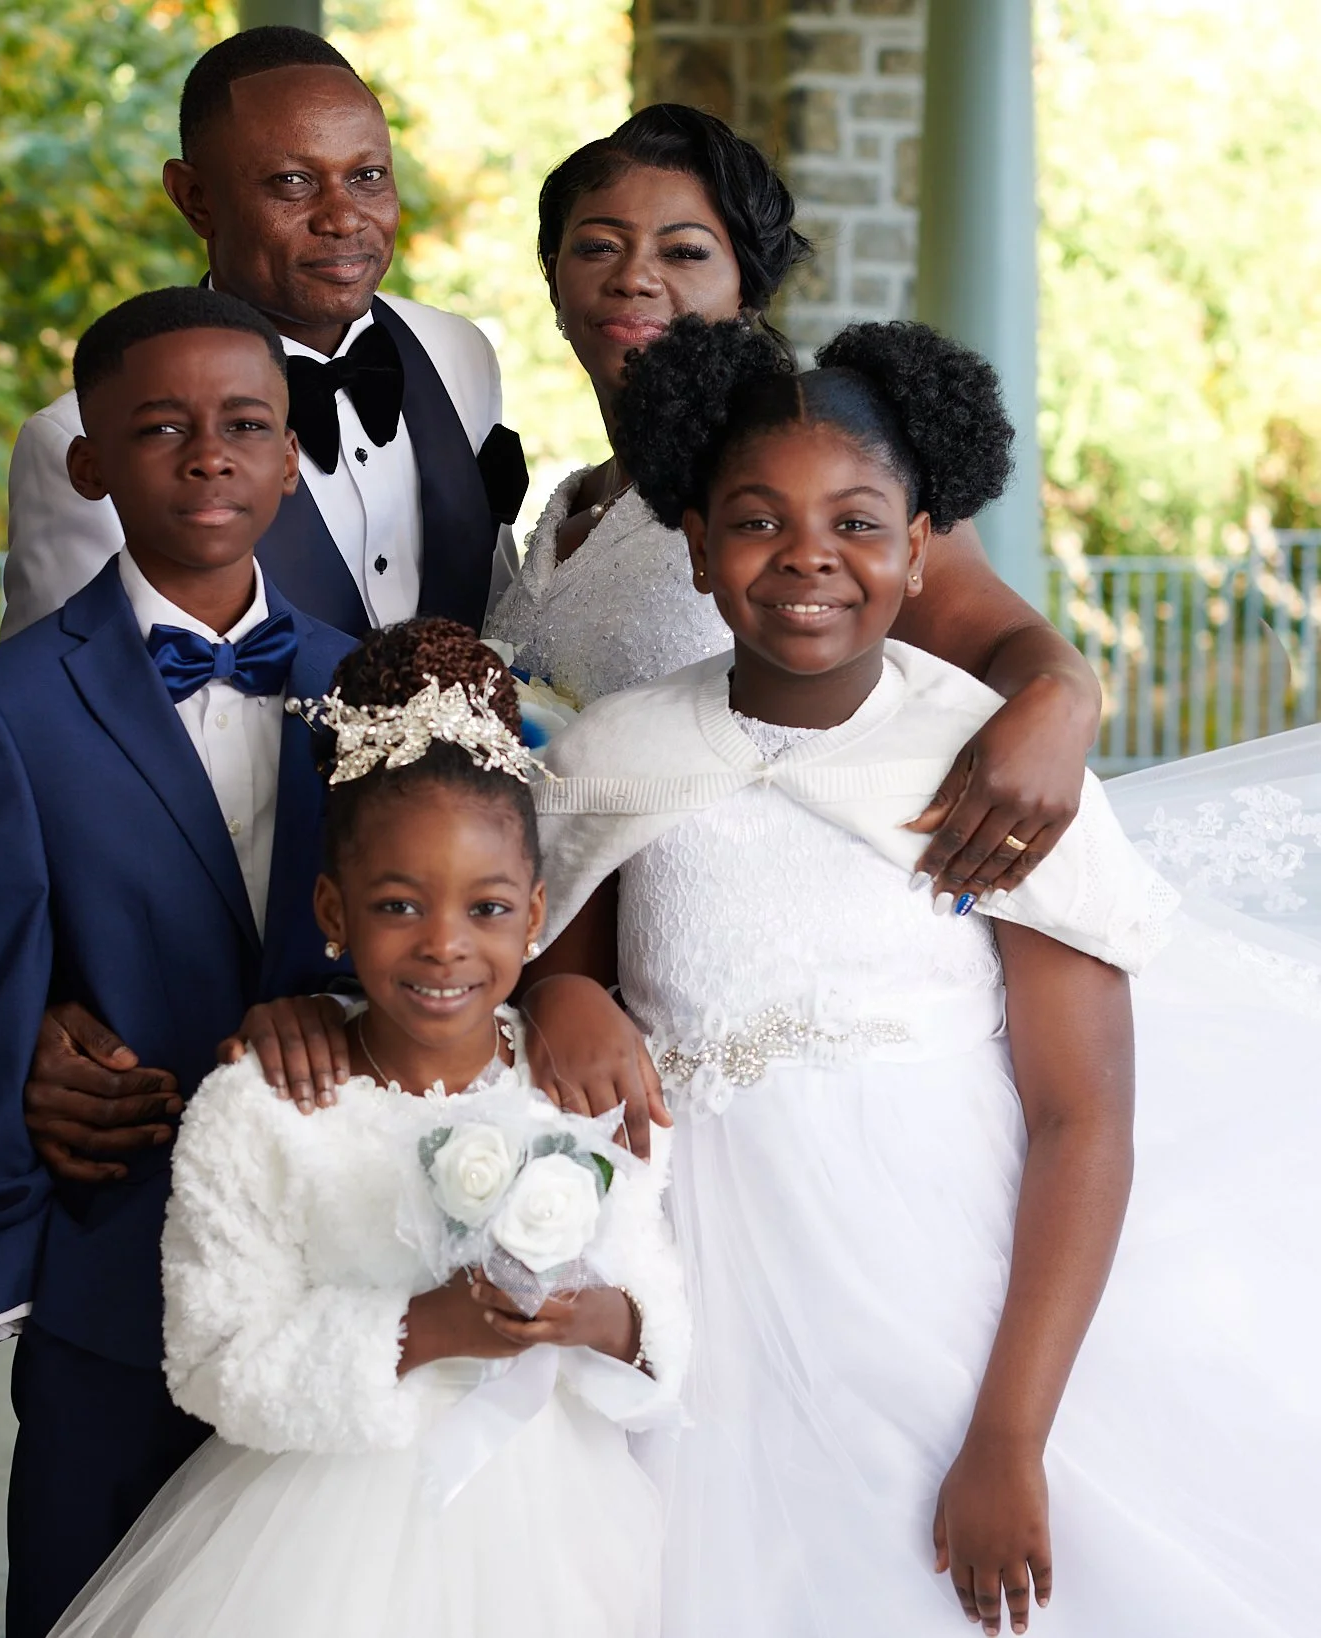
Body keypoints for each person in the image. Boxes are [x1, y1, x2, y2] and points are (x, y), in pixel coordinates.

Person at [531, 313, 1321, 1636]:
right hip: (697, 1287)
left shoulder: (989, 767)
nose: (806, 560)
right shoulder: (618, 753)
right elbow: (559, 981)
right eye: (755, 520)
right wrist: (563, 990)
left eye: (855, 522)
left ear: (917, 548)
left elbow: (1083, 1114)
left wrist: (1011, 1432)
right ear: (693, 540)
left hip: (941, 1284)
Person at [49, 621, 688, 1638]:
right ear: (331, 913)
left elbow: (661, 1318)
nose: (443, 945)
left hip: (560, 1534)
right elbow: (215, 1361)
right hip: (313, 1550)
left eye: (484, 909)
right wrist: (427, 1329)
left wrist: (594, 1319)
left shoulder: (573, 1089)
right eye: (397, 905)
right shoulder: (261, 1110)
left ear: (532, 917)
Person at [0, 286, 358, 1638]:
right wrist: (5, 1268)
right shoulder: (3, 710)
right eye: (160, 427)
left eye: (245, 425)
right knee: (86, 1601)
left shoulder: (377, 688)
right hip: (113, 1276)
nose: (209, 455)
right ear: (90, 462)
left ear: (295, 456)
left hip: (333, 1259)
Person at [486, 105, 1105, 904]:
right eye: (598, 246)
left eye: (684, 251)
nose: (634, 275)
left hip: (753, 908)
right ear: (555, 280)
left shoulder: (818, 472)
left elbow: (1014, 643)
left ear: (747, 286)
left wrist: (1063, 706)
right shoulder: (574, 502)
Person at [2, 25, 528, 643]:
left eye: (367, 176)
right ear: (194, 198)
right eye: (292, 182)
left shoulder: (459, 352)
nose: (342, 218)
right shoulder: (89, 434)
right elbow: (67, 700)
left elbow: (495, 603)